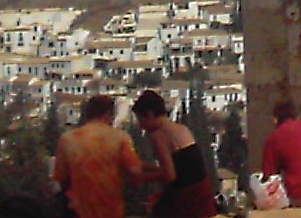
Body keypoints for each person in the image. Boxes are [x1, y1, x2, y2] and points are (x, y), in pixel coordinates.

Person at [52, 94, 143, 218]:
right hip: (111, 210)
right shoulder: (120, 138)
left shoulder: (67, 139)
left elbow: (61, 178)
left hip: (78, 211)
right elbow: (135, 172)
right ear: (108, 114)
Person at [132, 90, 216, 218]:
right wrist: (145, 167)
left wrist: (142, 177)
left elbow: (169, 175)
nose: (141, 125)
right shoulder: (181, 129)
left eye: (140, 119)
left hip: (186, 197)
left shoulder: (158, 135)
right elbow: (181, 168)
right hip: (203, 192)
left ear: (149, 115)